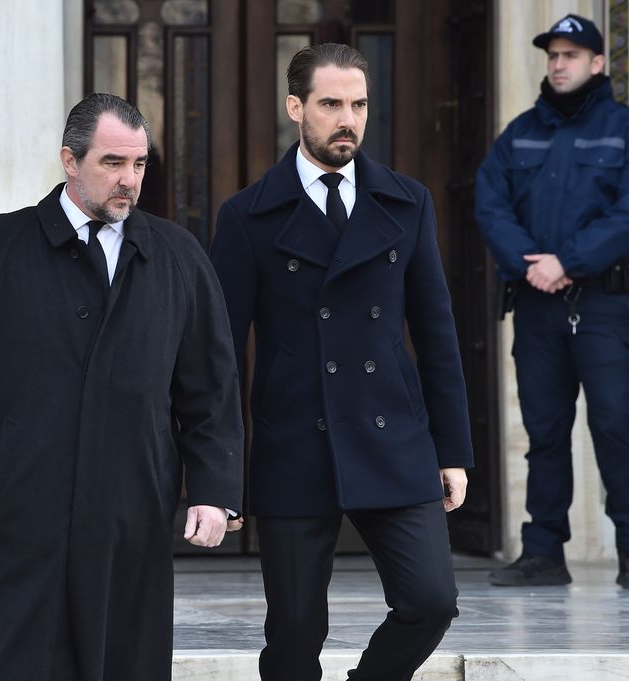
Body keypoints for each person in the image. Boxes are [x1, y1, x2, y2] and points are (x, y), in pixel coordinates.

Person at [0, 93, 244, 681]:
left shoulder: (178, 255)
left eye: (138, 165)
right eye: (112, 163)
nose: (128, 180)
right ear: (69, 159)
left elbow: (209, 386)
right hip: (19, 511)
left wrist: (214, 488)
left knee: (125, 663)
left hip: (133, 512)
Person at [210, 43, 474, 681]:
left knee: (431, 601)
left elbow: (437, 335)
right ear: (296, 107)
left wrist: (454, 450)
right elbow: (218, 354)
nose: (347, 119)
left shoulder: (407, 202)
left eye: (358, 104)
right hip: (296, 438)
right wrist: (216, 479)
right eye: (331, 104)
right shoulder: (247, 216)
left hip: (394, 435)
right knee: (295, 635)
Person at [476, 14, 629, 588]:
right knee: (544, 431)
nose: (559, 64)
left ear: (597, 64)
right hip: (539, 306)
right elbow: (490, 205)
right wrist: (530, 264)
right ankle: (543, 553)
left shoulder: (621, 128)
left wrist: (570, 261)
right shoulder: (519, 133)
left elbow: (626, 213)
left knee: (617, 426)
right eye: (552, 55)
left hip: (605, 307)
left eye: (571, 55)